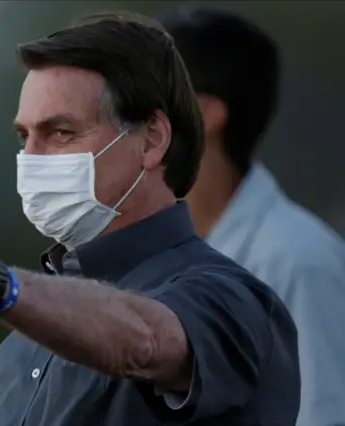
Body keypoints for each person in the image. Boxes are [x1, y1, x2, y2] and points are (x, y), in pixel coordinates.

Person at [0, 12, 300, 426]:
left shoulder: (230, 297)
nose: (31, 158)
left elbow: (145, 340)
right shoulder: (19, 348)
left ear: (153, 139)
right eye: (23, 135)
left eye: (61, 131)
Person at [158, 7, 345, 426]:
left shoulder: (298, 262)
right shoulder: (146, 252)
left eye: (146, 93)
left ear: (206, 114)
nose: (120, 112)